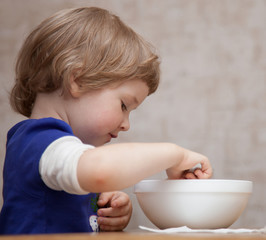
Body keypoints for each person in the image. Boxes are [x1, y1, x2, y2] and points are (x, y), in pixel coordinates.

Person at [0, 7, 212, 235]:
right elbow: (100, 171)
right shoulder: (38, 141)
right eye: (123, 105)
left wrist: (105, 209)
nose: (126, 124)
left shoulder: (63, 151)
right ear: (78, 81)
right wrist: (175, 155)